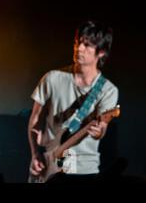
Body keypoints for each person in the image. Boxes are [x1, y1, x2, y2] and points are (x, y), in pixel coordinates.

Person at [27, 20, 119, 182]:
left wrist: (99, 132)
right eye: (78, 42)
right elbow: (34, 122)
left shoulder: (108, 90)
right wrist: (35, 154)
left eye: (87, 45)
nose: (79, 48)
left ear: (102, 52)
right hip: (50, 162)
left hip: (84, 168)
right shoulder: (52, 78)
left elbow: (102, 128)